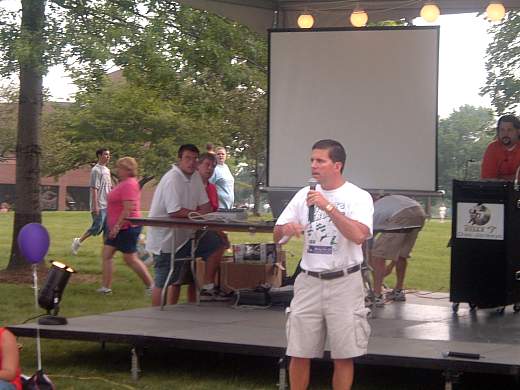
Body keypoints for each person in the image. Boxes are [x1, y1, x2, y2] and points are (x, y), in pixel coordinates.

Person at [274, 139, 373, 390]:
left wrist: (327, 207)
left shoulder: (358, 196)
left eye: (320, 161)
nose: (313, 166)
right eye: (311, 160)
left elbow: (359, 235)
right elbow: (277, 233)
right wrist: (287, 227)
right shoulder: (302, 195)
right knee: (299, 351)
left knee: (343, 354)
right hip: (309, 281)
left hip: (344, 282)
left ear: (337, 165)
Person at [146, 144, 227, 306]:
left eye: (194, 159)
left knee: (218, 243)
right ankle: (155, 316)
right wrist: (198, 215)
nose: (191, 162)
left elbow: (206, 207)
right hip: (165, 240)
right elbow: (174, 211)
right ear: (179, 160)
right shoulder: (172, 178)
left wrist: (204, 217)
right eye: (187, 158)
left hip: (187, 236)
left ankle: (207, 288)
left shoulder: (195, 177)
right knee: (163, 280)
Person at [99, 157, 153, 294]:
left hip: (127, 227)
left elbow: (128, 209)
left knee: (130, 258)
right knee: (107, 254)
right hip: (118, 227)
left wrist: (117, 227)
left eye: (120, 168)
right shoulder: (123, 183)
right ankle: (106, 288)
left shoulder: (129, 184)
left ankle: (151, 286)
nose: (118, 170)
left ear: (127, 169)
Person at [369, 195, 426, 307]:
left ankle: (377, 295)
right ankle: (398, 291)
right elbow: (398, 251)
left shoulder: (373, 210)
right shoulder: (390, 202)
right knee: (402, 255)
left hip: (401, 216)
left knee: (377, 256)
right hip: (419, 214)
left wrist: (380, 266)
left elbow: (368, 238)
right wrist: (390, 266)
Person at [72, 148, 112, 255]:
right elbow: (94, 188)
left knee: (107, 228)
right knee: (97, 228)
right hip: (100, 204)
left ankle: (106, 252)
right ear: (99, 155)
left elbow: (109, 188)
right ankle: (78, 241)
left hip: (108, 205)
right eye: (106, 154)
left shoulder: (107, 170)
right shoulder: (96, 170)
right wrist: (95, 206)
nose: (108, 157)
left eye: (109, 155)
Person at [481, 114, 520, 180]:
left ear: (518, 132)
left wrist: (500, 178)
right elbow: (488, 178)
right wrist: (514, 178)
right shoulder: (492, 148)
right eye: (502, 130)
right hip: (497, 190)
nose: (505, 134)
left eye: (509, 130)